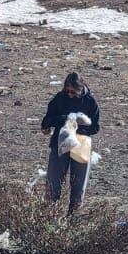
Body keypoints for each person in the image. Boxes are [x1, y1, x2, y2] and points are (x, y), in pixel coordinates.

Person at [42, 71, 100, 213]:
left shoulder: (90, 102)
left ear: (80, 88)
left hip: (81, 145)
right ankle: (49, 215)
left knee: (78, 185)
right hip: (59, 144)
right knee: (53, 183)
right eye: (67, 90)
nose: (69, 94)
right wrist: (64, 119)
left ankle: (73, 217)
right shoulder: (60, 99)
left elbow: (95, 127)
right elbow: (46, 121)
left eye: (73, 92)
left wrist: (77, 128)